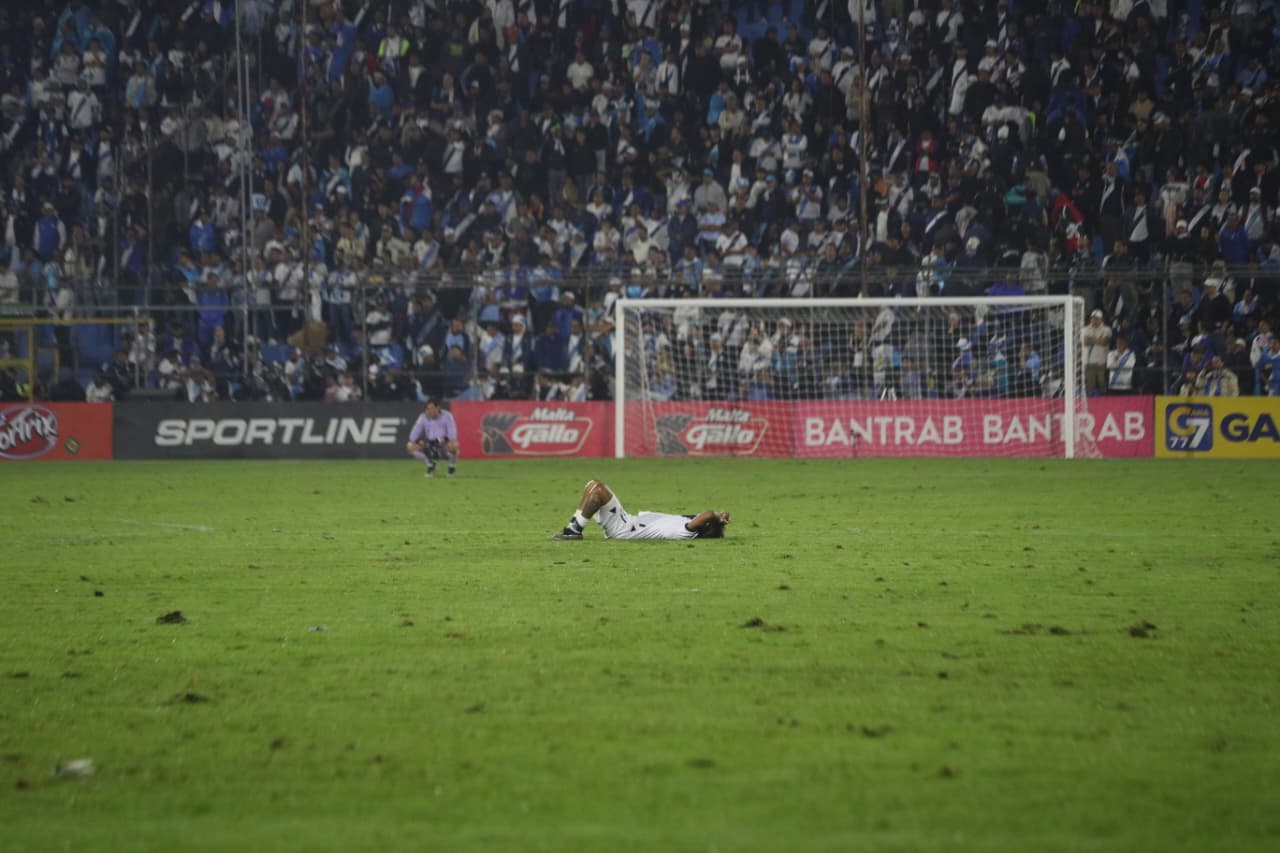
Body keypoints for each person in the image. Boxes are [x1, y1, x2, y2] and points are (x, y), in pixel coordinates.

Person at [552, 480, 730, 541]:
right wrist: (721, 518)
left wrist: (715, 517)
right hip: (628, 522)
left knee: (598, 490)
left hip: (623, 530)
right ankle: (572, 530)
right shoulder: (688, 522)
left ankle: (573, 532)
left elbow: (707, 514)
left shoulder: (686, 532)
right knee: (593, 485)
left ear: (705, 526)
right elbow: (704, 516)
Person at [404, 398, 459, 477]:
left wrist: (439, 441)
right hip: (429, 444)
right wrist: (419, 441)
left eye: (432, 408)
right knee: (410, 446)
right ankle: (431, 465)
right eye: (428, 409)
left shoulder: (447, 416)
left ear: (438, 408)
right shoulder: (423, 417)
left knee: (453, 445)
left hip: (443, 444)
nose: (430, 411)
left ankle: (452, 467)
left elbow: (452, 434)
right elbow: (413, 435)